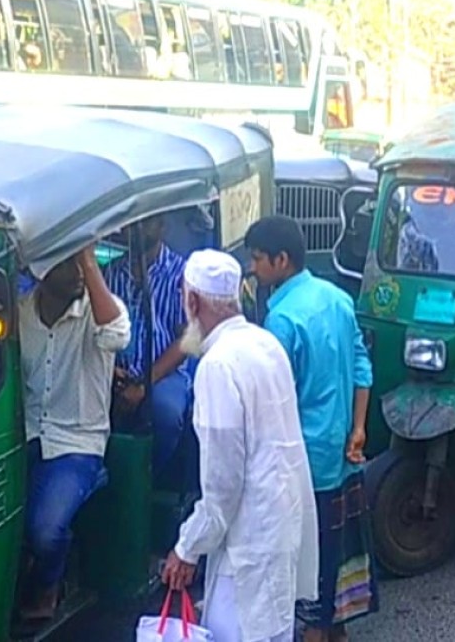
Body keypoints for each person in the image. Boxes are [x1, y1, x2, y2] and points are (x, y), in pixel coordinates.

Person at [163, 249, 319, 642]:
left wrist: (186, 548)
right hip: (281, 523)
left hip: (249, 541)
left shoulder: (217, 366)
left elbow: (222, 486)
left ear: (193, 301)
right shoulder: (265, 343)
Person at [244, 216, 378, 642]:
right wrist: (359, 427)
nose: (253, 268)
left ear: (281, 260)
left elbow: (270, 399)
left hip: (302, 460)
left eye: (258, 259)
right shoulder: (337, 298)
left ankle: (314, 632)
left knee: (304, 557)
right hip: (342, 449)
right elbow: (361, 365)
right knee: (333, 550)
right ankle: (332, 625)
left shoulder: (281, 320)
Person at [18, 247, 131, 620]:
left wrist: (87, 260)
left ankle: (49, 586)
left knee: (46, 532)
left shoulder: (100, 311)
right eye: (67, 262)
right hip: (28, 436)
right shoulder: (21, 313)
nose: (79, 271)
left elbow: (117, 335)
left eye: (80, 261)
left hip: (77, 443)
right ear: (42, 271)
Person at [102, 215, 193, 488]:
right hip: (117, 369)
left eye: (146, 223)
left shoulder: (181, 274)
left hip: (163, 373)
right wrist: (109, 370)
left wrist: (144, 385)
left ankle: (145, 484)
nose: (137, 230)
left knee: (165, 413)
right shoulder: (111, 273)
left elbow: (187, 338)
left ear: (162, 226)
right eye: (132, 224)